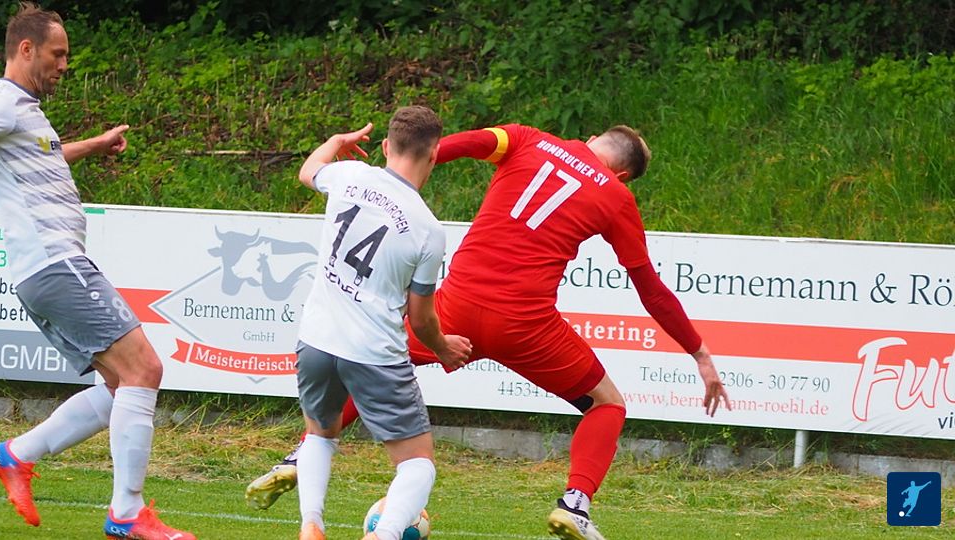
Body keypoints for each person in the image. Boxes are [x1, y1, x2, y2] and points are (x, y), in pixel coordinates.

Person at [249, 123, 732, 540]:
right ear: (623, 175)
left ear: (589, 139)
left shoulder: (525, 139)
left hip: (455, 309)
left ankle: (301, 455)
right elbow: (649, 288)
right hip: (527, 326)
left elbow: (443, 149)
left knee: (374, 361)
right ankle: (574, 504)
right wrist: (699, 353)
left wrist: (383, 181)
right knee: (607, 404)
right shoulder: (616, 195)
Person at [0, 4, 195, 539]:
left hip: (47, 268)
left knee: (120, 384)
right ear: (26, 49)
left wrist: (96, 144)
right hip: (54, 263)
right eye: (57, 54)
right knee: (144, 370)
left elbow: (45, 158)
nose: (65, 65)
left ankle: (16, 454)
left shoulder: (23, 112)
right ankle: (126, 513)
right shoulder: (4, 102)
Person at [293, 106, 472, 540]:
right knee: (417, 463)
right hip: (373, 352)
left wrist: (337, 142)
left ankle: (311, 524)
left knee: (320, 434)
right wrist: (443, 347)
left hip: (316, 339)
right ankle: (385, 534)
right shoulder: (428, 230)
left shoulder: (349, 175)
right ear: (434, 155)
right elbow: (421, 317)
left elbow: (308, 171)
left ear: (387, 146)